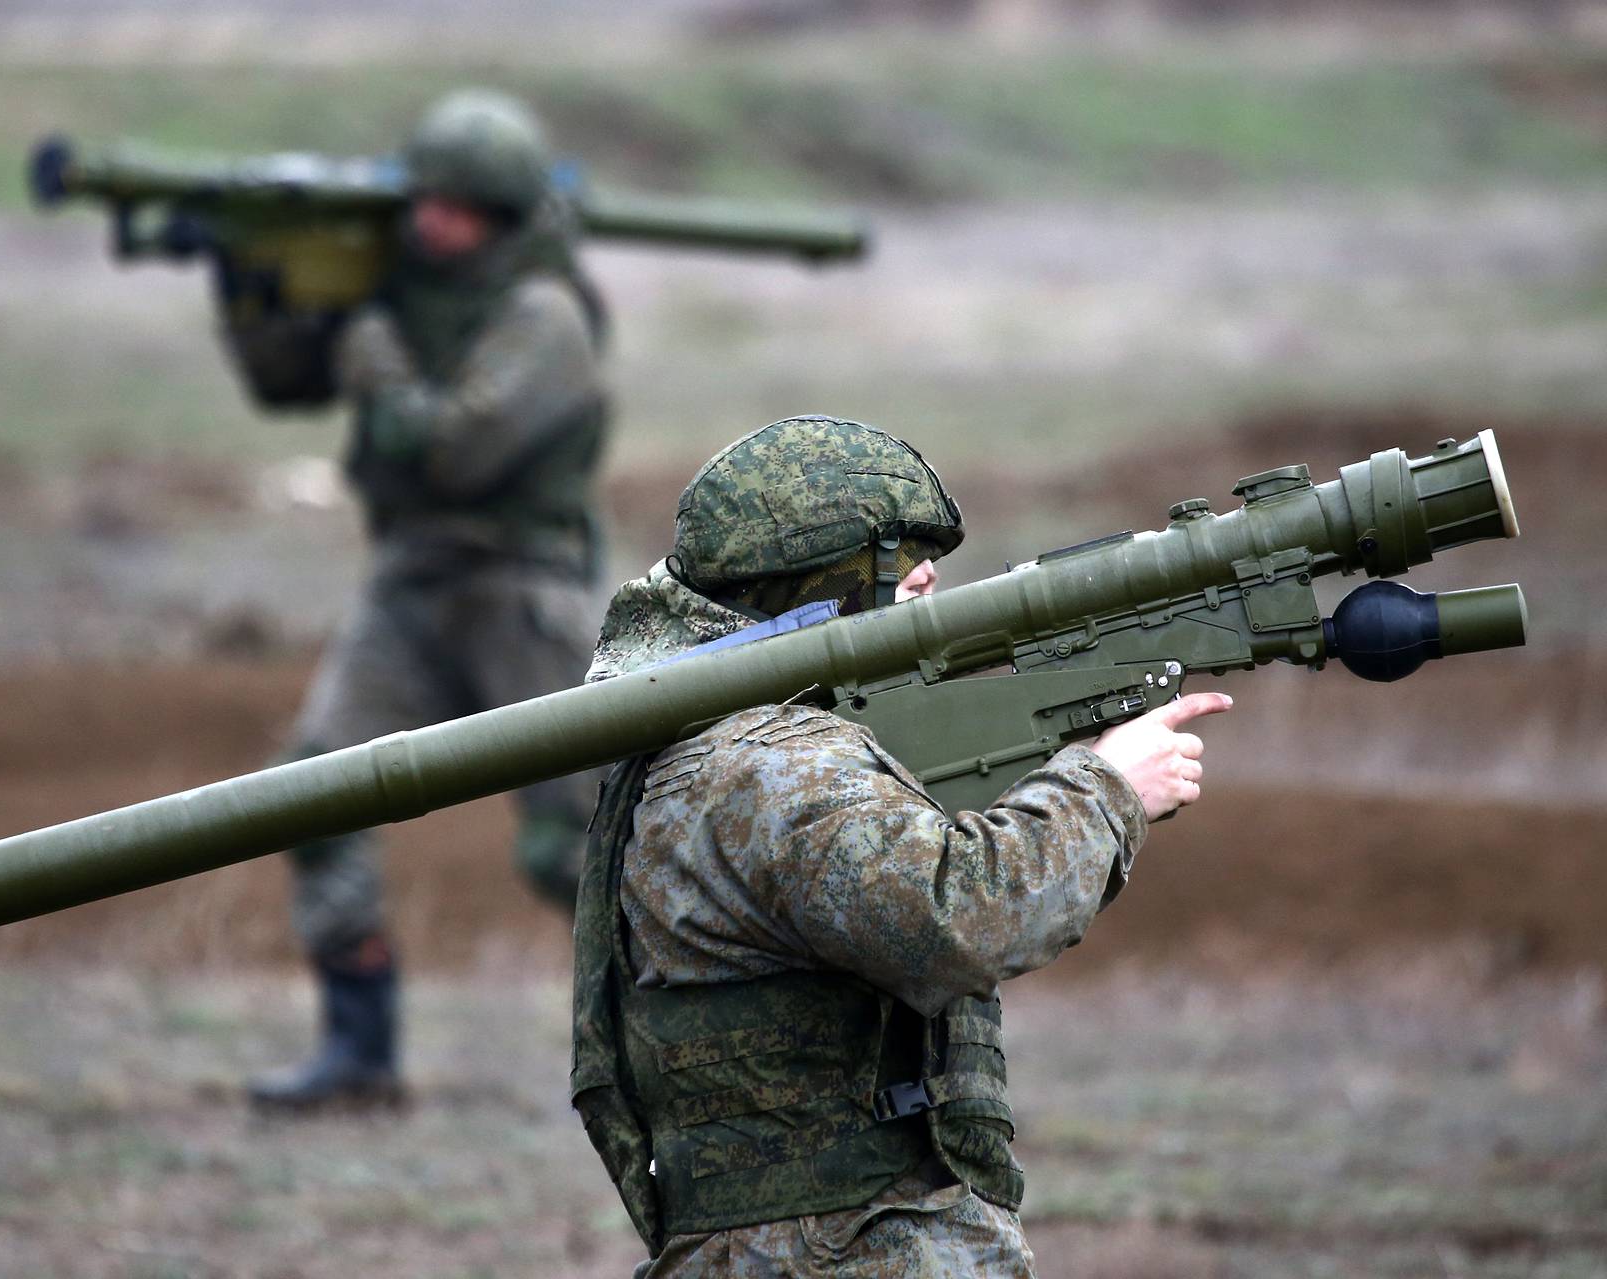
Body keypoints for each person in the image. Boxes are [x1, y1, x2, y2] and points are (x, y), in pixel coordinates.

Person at [571, 416, 1231, 1275]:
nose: (928, 577)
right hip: (847, 1248)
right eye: (894, 559)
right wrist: (1108, 788)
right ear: (809, 580)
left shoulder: (727, 745)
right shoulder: (773, 767)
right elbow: (957, 916)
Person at [248, 90, 609, 1110]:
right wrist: (266, 289)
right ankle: (359, 1053)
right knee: (315, 788)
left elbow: (458, 449)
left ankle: (677, 1038)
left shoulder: (546, 316)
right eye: (425, 201)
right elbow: (282, 383)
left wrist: (377, 362)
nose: (429, 223)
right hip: (408, 585)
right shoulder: (395, 293)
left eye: (457, 208)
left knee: (573, 846)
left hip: (519, 593)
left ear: (498, 218)